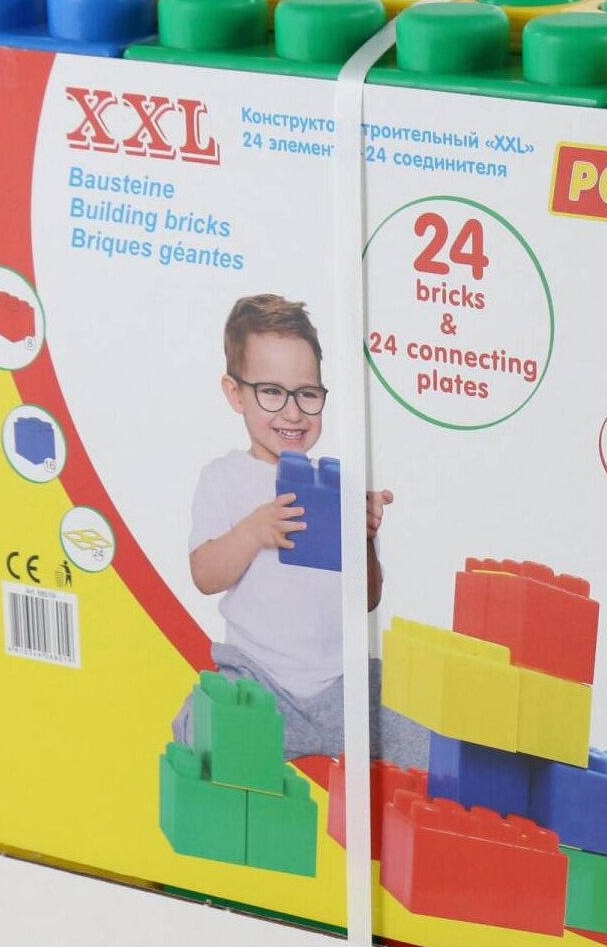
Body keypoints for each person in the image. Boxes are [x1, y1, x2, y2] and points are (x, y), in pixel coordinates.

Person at [172, 293, 428, 766]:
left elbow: (368, 598)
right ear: (235, 393)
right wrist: (253, 531)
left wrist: (364, 539)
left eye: (307, 394)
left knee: (427, 738)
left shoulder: (337, 486)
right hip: (258, 681)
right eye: (272, 392)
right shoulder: (224, 477)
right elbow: (205, 576)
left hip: (340, 685)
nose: (293, 413)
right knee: (200, 731)